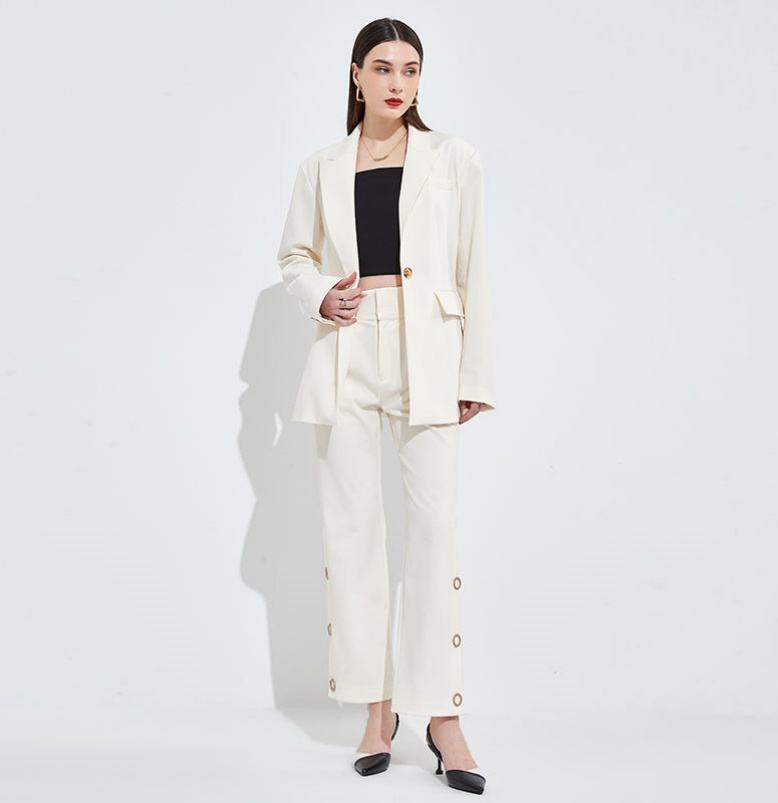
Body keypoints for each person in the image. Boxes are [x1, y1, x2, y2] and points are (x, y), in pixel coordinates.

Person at [276, 17, 495, 795]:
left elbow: (474, 265)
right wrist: (318, 294)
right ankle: (377, 710)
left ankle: (442, 715)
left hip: (428, 349)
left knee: (432, 530)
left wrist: (476, 370)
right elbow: (293, 255)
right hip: (347, 349)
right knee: (354, 533)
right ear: (356, 75)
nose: (397, 82)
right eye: (382, 67)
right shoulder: (321, 166)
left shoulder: (453, 158)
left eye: (410, 69)